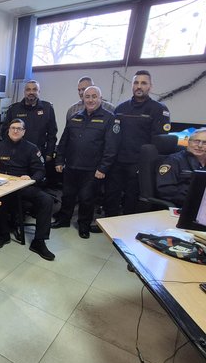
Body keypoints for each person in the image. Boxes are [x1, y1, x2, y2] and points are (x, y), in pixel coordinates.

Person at [0, 119, 55, 261]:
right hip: (4, 186)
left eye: (19, 128)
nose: (15, 131)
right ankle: (3, 235)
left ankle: (39, 241)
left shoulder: (31, 148)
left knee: (47, 200)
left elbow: (40, 171)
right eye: (13, 128)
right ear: (8, 130)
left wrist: (31, 178)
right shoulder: (0, 146)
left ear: (24, 132)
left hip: (23, 186)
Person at [53, 86, 120, 238]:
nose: (90, 100)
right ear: (83, 98)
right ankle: (64, 220)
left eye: (94, 96)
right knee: (67, 196)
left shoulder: (109, 118)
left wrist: (103, 168)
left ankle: (84, 225)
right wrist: (59, 160)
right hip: (71, 166)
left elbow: (111, 147)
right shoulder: (75, 116)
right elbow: (64, 141)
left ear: (100, 98)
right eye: (87, 96)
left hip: (92, 169)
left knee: (86, 198)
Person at [105, 70, 171, 216]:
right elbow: (113, 135)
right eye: (136, 82)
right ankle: (107, 223)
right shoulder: (121, 108)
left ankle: (126, 227)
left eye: (143, 83)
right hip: (117, 161)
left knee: (132, 199)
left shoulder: (159, 109)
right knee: (111, 196)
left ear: (150, 86)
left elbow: (158, 142)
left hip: (139, 164)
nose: (139, 86)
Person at [1, 80, 57, 162]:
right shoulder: (14, 109)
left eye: (34, 89)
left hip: (38, 153)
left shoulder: (47, 108)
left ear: (39, 92)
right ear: (24, 92)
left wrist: (49, 153)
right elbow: (5, 132)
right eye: (28, 89)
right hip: (17, 153)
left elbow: (52, 133)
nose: (31, 92)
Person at [156, 128, 206, 206]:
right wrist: (194, 199)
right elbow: (166, 190)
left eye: (205, 143)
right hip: (184, 205)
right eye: (196, 141)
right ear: (189, 142)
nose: (199, 145)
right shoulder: (173, 161)